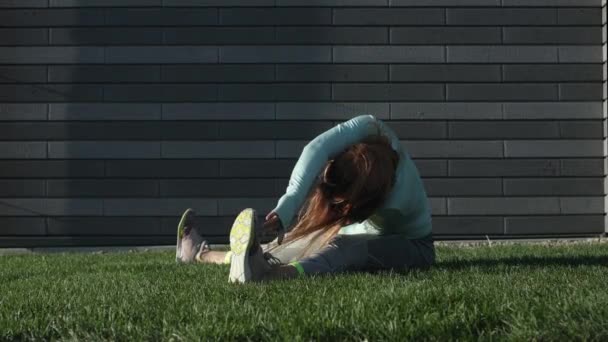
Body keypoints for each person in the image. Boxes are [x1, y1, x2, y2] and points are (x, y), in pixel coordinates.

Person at [175, 114, 435, 283]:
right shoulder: (371, 127)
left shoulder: (398, 200)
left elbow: (354, 245)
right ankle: (199, 254)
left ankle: (274, 275)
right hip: (366, 227)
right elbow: (316, 149)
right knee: (284, 247)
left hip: (414, 247)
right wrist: (288, 204)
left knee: (346, 251)